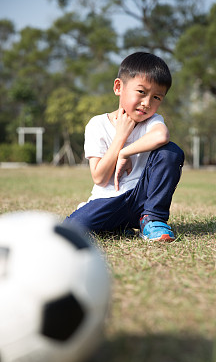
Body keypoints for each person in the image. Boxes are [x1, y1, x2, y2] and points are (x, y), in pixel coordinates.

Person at [65, 52, 184, 241]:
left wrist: (125, 152)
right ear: (119, 87)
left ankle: (153, 218)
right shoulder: (97, 125)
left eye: (156, 98)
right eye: (141, 92)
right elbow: (99, 177)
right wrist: (121, 136)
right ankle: (118, 225)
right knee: (73, 228)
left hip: (142, 197)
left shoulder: (153, 122)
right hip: (110, 200)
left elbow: (162, 136)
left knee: (171, 151)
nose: (147, 103)